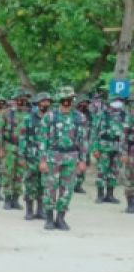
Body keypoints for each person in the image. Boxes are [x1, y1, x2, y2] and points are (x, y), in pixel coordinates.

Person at [37, 89, 89, 231]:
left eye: (70, 99)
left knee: (67, 189)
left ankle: (60, 218)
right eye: (64, 99)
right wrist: (42, 160)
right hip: (52, 157)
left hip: (71, 158)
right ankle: (49, 218)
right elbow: (42, 139)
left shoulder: (80, 117)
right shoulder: (50, 117)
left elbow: (83, 141)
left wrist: (83, 160)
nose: (67, 102)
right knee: (50, 188)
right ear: (59, 100)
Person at [90, 98, 126, 205]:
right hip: (104, 147)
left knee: (114, 172)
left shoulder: (124, 115)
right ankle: (100, 195)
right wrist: (95, 148)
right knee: (102, 171)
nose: (118, 103)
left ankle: (110, 195)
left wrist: (124, 151)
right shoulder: (102, 115)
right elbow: (94, 132)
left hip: (118, 148)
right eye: (115, 101)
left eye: (119, 101)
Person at [0, 93, 27, 211]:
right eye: (19, 99)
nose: (21, 101)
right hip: (9, 147)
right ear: (15, 100)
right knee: (7, 174)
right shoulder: (6, 113)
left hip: (23, 150)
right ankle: (7, 199)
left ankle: (15, 200)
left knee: (19, 175)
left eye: (23, 99)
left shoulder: (28, 115)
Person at [23, 92, 51, 221]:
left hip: (46, 157)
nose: (45, 103)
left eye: (47, 101)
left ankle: (40, 210)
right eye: (43, 101)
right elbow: (23, 138)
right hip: (31, 156)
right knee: (30, 183)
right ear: (38, 103)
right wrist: (22, 156)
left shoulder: (52, 118)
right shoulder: (29, 118)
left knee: (44, 184)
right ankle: (29, 210)